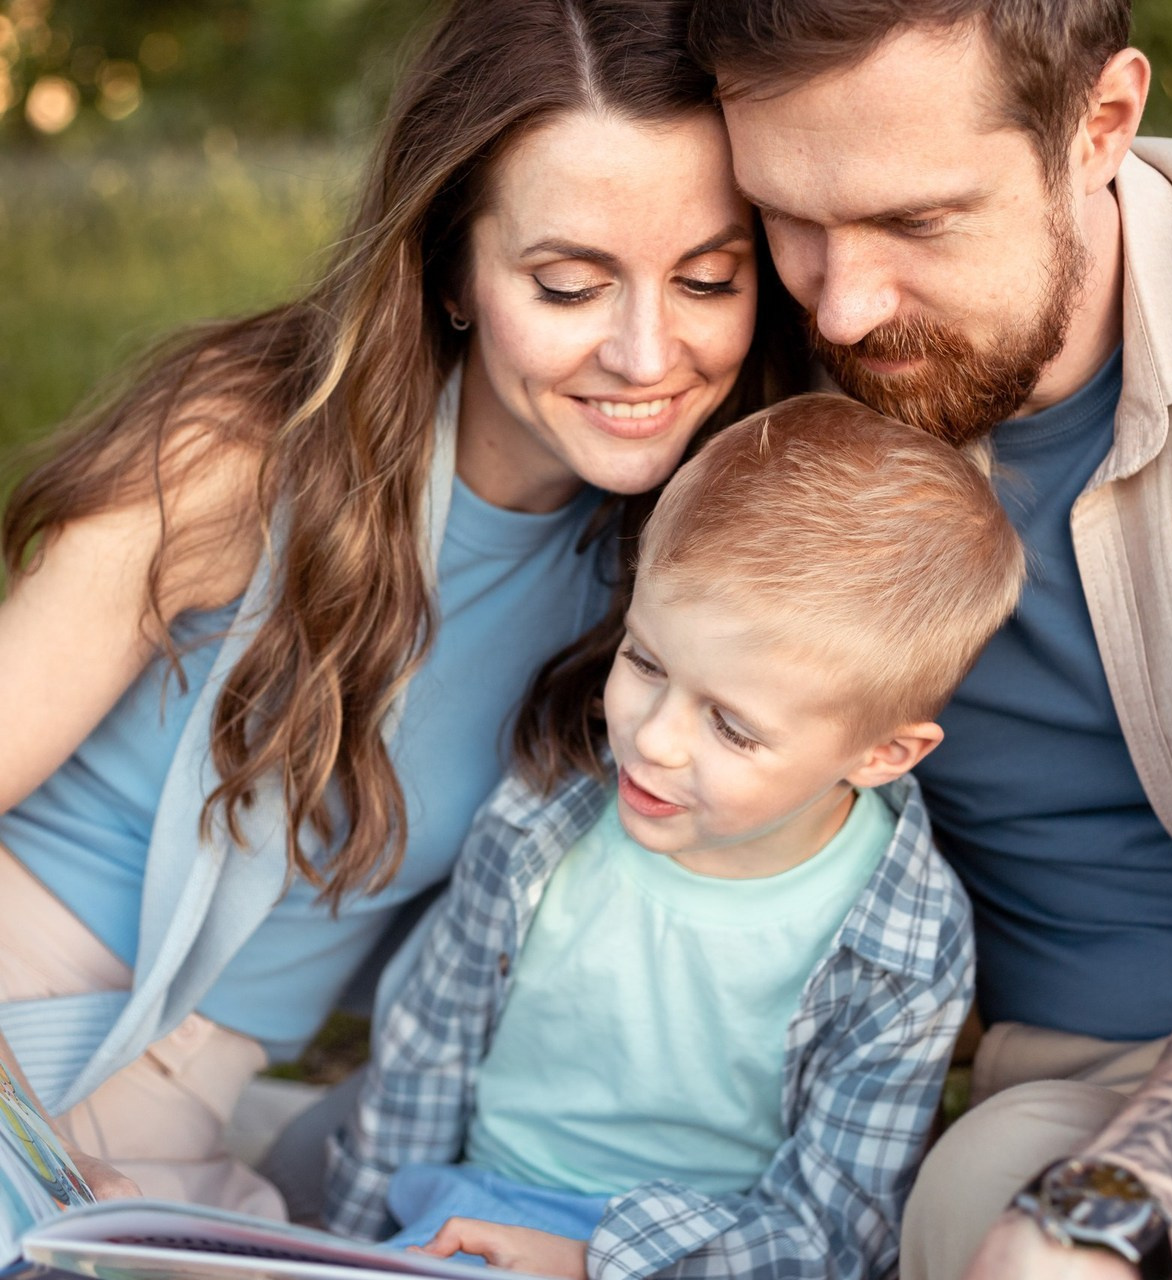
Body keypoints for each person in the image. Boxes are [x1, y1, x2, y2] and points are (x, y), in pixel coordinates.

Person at [0, 0, 804, 1218]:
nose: (647, 355)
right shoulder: (245, 451)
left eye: (705, 278)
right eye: (570, 284)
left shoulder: (676, 556)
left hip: (177, 1121)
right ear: (452, 270)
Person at [686, 1, 1172, 1278]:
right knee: (982, 1196)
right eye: (787, 215)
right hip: (1063, 1081)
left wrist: (1110, 1213)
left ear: (1100, 124)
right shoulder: (721, 327)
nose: (838, 309)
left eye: (915, 221)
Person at [325, 392, 1026, 1280]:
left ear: (881, 752)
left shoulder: (903, 940)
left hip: (705, 1255)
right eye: (645, 662)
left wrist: (590, 1261)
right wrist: (348, 1246)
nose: (651, 739)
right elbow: (425, 1056)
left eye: (732, 727)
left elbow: (837, 1229)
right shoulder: (547, 814)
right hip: (471, 1214)